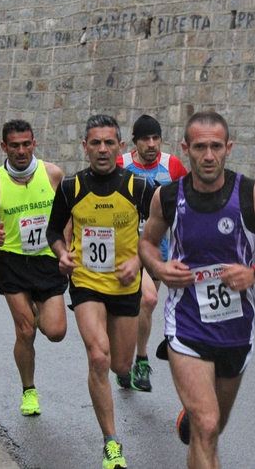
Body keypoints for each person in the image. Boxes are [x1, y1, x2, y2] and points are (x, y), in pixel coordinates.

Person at [139, 112, 255, 469]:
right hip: (186, 325)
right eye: (200, 147)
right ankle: (197, 419)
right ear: (186, 149)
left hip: (235, 329)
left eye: (216, 146)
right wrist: (159, 268)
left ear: (228, 148)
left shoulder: (252, 193)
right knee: (207, 422)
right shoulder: (167, 197)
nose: (209, 155)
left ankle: (195, 425)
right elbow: (147, 244)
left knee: (212, 430)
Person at [46, 114, 153, 469]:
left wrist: (138, 262)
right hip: (86, 282)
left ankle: (125, 370)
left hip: (125, 285)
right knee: (98, 357)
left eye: (110, 143)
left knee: (119, 363)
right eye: (96, 143)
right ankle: (111, 442)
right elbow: (53, 233)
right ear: (85, 147)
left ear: (121, 147)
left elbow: (158, 230)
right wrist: (62, 255)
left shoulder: (138, 188)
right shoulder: (71, 188)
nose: (103, 149)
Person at [0, 119, 68, 417]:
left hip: (47, 261)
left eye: (26, 144)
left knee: (55, 331)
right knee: (25, 331)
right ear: (4, 147)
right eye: (14, 145)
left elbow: (69, 215)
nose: (21, 150)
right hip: (12, 262)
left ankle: (38, 312)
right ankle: (29, 391)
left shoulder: (52, 174)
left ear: (34, 144)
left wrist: (67, 247)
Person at [115, 114, 188, 392]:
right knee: (143, 301)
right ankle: (136, 361)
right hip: (122, 249)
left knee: (146, 303)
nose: (152, 144)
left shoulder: (173, 166)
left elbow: (188, 204)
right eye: (145, 139)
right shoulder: (122, 164)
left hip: (158, 250)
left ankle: (134, 361)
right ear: (135, 143)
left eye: (156, 138)